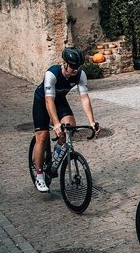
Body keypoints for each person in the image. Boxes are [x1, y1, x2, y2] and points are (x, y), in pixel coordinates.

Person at [32, 47, 100, 192]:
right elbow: (49, 101)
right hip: (42, 101)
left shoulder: (80, 74)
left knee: (70, 127)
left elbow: (84, 98)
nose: (75, 70)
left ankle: (54, 159)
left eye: (78, 67)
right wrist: (56, 123)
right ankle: (39, 174)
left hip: (60, 101)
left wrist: (91, 121)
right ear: (64, 63)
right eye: (73, 67)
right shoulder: (52, 74)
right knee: (42, 137)